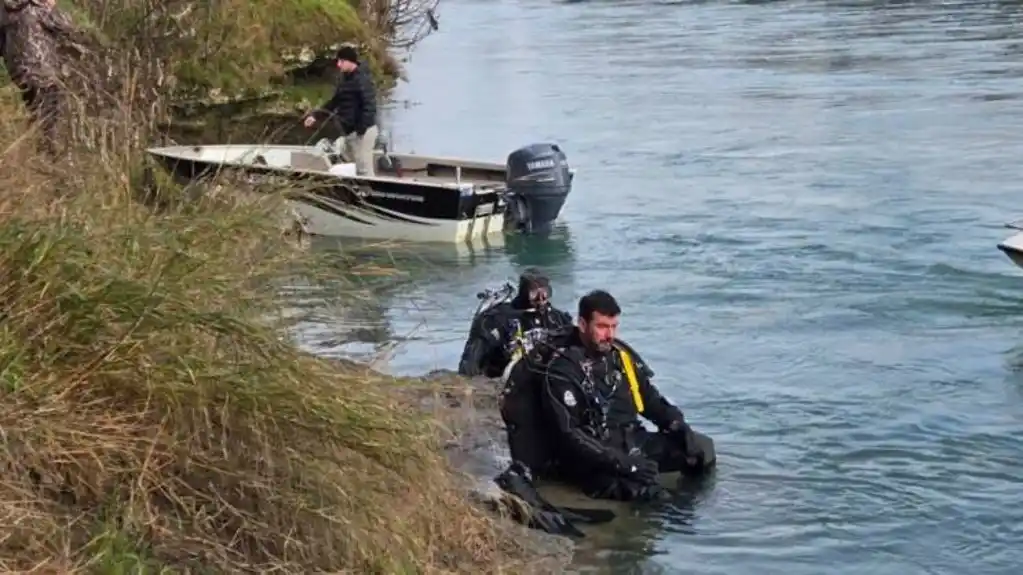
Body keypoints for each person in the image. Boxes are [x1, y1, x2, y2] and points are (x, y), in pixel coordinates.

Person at [503, 289, 716, 503]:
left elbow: (651, 401)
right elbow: (570, 435)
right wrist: (624, 464)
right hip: (592, 459)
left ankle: (694, 509)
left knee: (702, 449)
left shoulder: (620, 359)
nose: (610, 335)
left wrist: (679, 426)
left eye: (614, 327)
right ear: (583, 325)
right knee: (651, 494)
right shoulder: (561, 370)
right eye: (602, 327)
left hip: (631, 441)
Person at [1, 0, 91, 155]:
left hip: (19, 72)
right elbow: (67, 28)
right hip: (43, 71)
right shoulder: (39, 7)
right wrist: (53, 7)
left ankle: (37, 153)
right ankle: (49, 156)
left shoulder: (4, 8)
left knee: (36, 110)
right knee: (51, 117)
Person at [457, 269, 573, 379]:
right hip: (501, 377)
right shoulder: (499, 319)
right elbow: (472, 359)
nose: (541, 298)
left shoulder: (556, 318)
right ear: (523, 292)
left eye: (545, 292)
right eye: (534, 293)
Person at [302, 44, 379, 176]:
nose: (338, 64)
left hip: (363, 133)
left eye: (341, 61)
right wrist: (315, 115)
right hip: (349, 133)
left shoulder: (363, 80)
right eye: (338, 61)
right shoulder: (345, 80)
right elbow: (334, 102)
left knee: (363, 169)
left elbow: (370, 106)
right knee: (350, 164)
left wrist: (360, 130)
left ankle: (371, 194)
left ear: (350, 62)